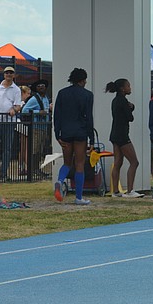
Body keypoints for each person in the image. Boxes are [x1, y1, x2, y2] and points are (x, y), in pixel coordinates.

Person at [52, 68, 95, 205]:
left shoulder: (62, 93)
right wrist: (91, 138)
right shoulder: (88, 95)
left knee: (67, 162)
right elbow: (89, 117)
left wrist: (57, 133)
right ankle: (78, 197)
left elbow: (57, 115)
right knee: (80, 164)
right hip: (80, 132)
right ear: (82, 80)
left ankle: (60, 180)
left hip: (65, 131)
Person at [106, 78, 142, 198]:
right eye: (128, 86)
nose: (130, 88)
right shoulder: (123, 101)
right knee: (134, 162)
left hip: (114, 134)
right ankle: (130, 190)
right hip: (122, 135)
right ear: (122, 88)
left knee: (118, 163)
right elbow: (130, 118)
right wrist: (131, 108)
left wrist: (130, 107)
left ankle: (115, 191)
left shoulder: (115, 100)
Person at [0, 66, 22, 181]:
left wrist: (14, 110)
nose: (9, 75)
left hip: (9, 121)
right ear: (3, 74)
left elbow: (18, 106)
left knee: (7, 148)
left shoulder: (16, 89)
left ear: (14, 75)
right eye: (7, 73)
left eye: (11, 73)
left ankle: (3, 173)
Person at [22, 79, 52, 172]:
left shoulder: (46, 98)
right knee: (35, 149)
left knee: (40, 149)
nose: (41, 87)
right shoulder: (34, 99)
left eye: (43, 85)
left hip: (44, 127)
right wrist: (38, 112)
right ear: (36, 88)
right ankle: (32, 169)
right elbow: (24, 111)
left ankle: (37, 169)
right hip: (36, 128)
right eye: (38, 86)